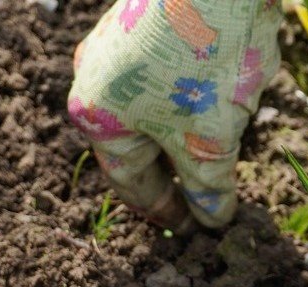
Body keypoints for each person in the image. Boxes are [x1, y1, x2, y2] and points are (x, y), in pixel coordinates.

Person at [67, 0, 283, 232]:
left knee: (140, 178)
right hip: (208, 99)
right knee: (213, 205)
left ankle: (191, 231)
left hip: (111, 79)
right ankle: (205, 232)